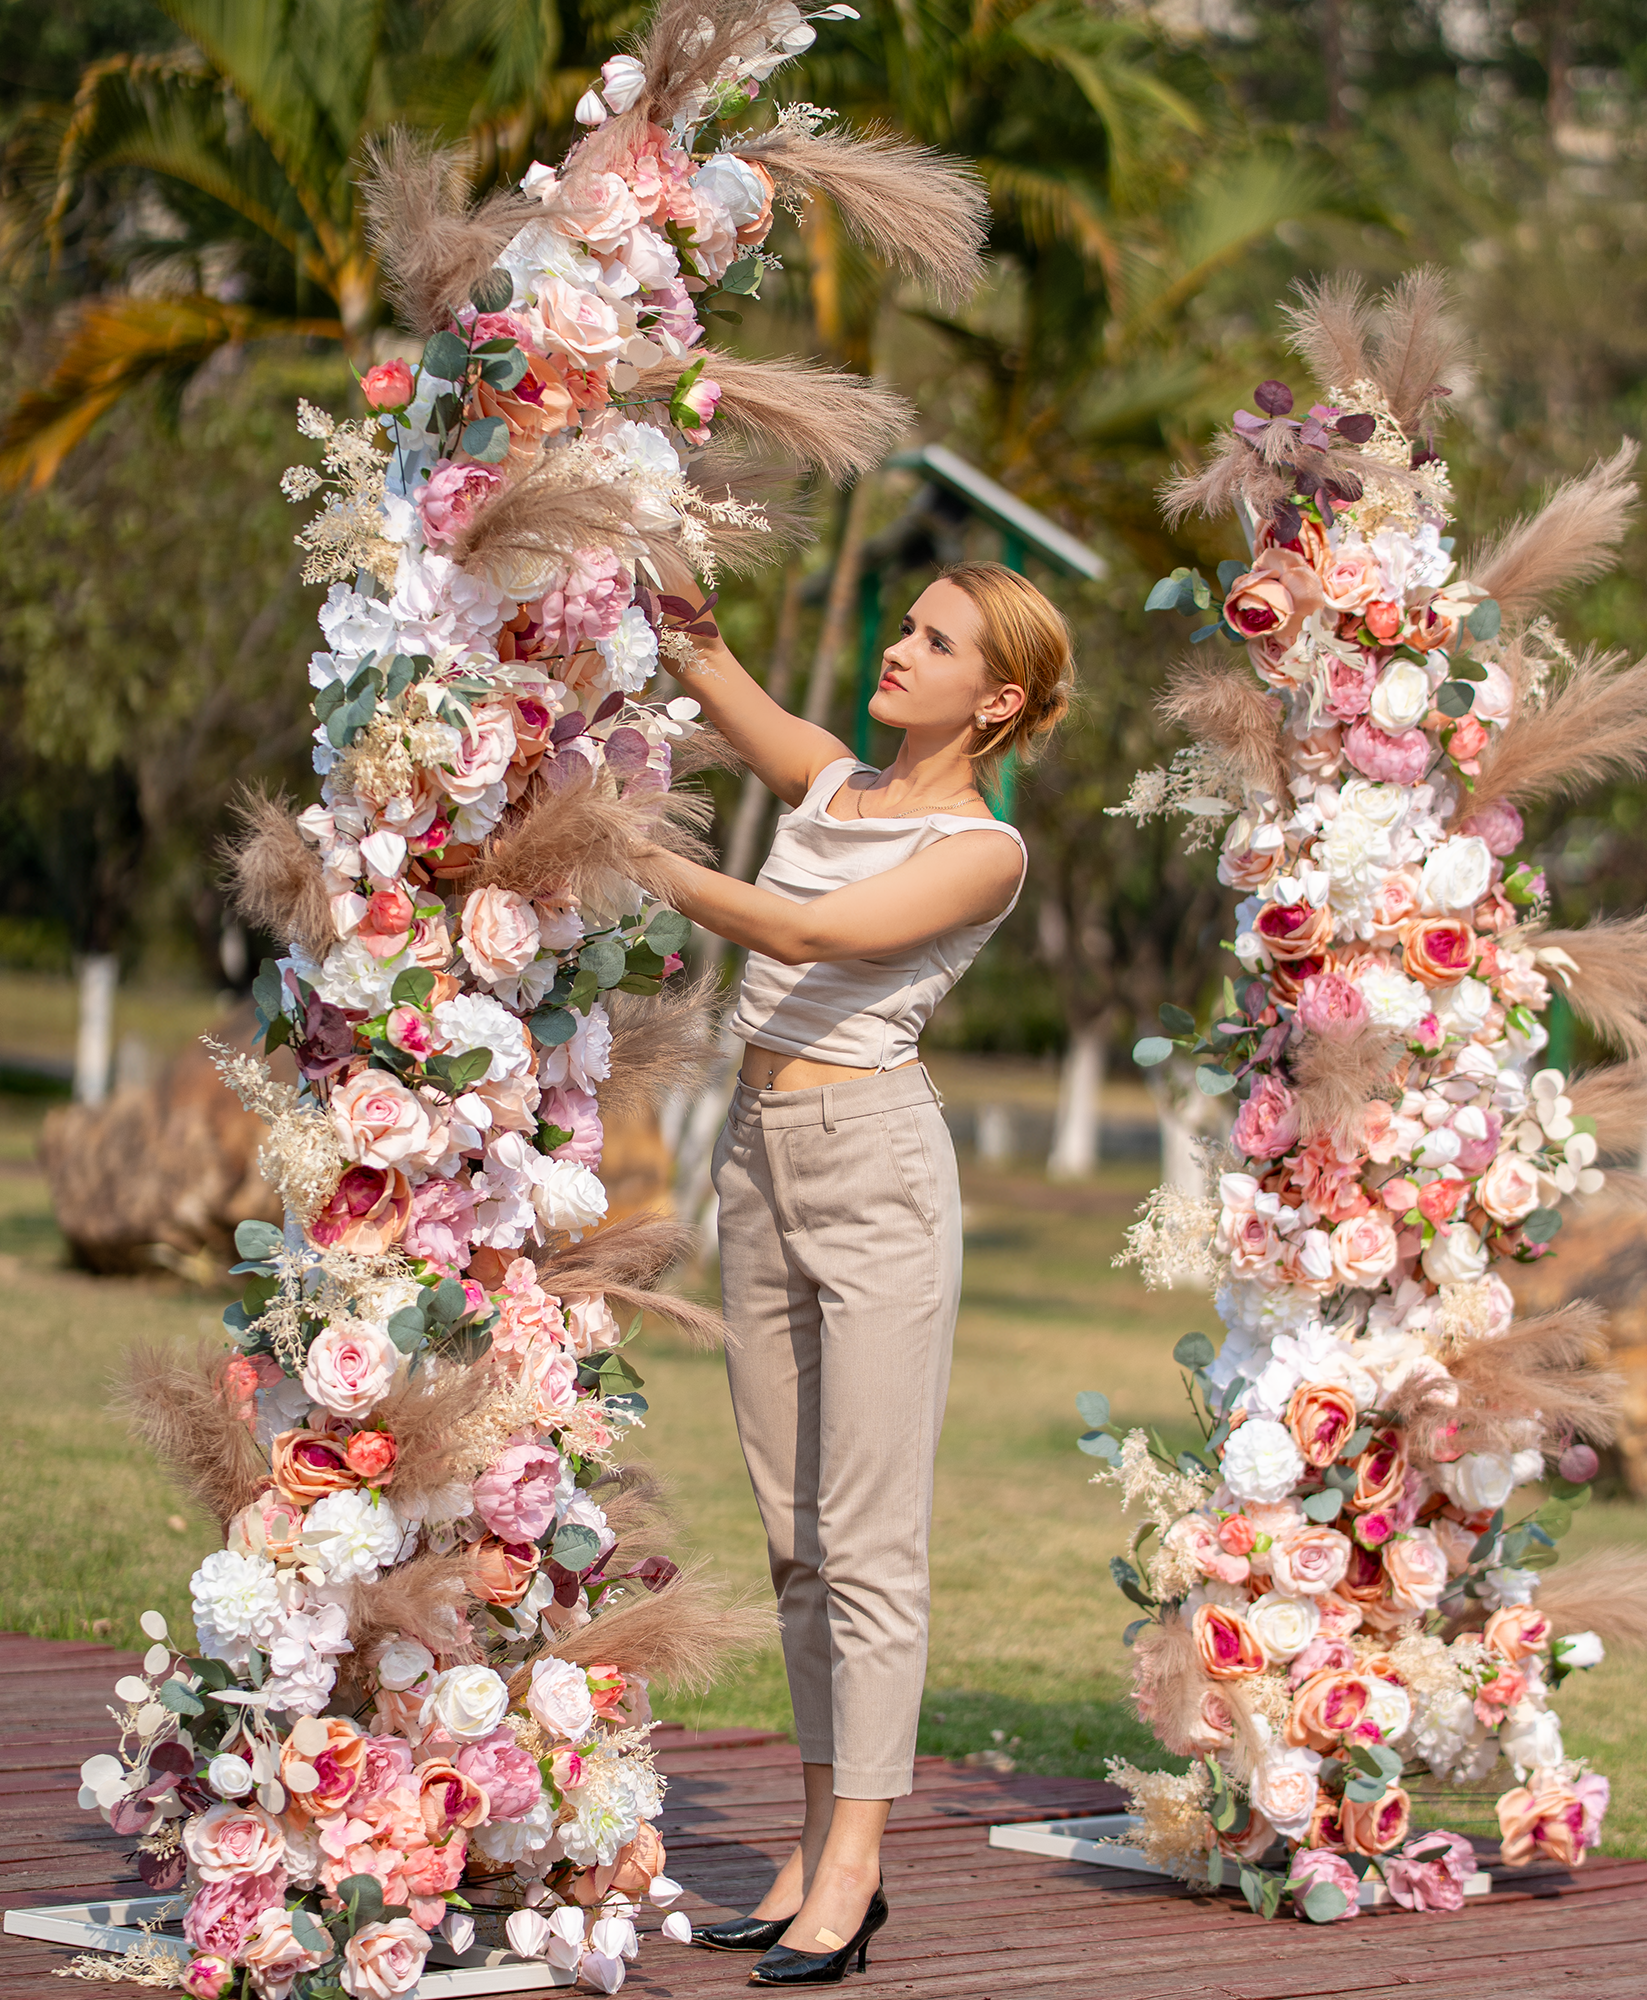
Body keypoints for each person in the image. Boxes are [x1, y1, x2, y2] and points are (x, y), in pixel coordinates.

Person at [638, 560, 1075, 1985]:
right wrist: (666, 586)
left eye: (935, 641)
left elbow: (810, 933)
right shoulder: (831, 789)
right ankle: (814, 1841)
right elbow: (709, 669)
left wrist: (628, 857)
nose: (900, 648)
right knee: (796, 1535)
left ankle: (859, 1868)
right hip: (758, 1154)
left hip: (874, 1166)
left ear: (996, 697)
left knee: (870, 1538)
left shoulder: (982, 848)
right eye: (906, 625)